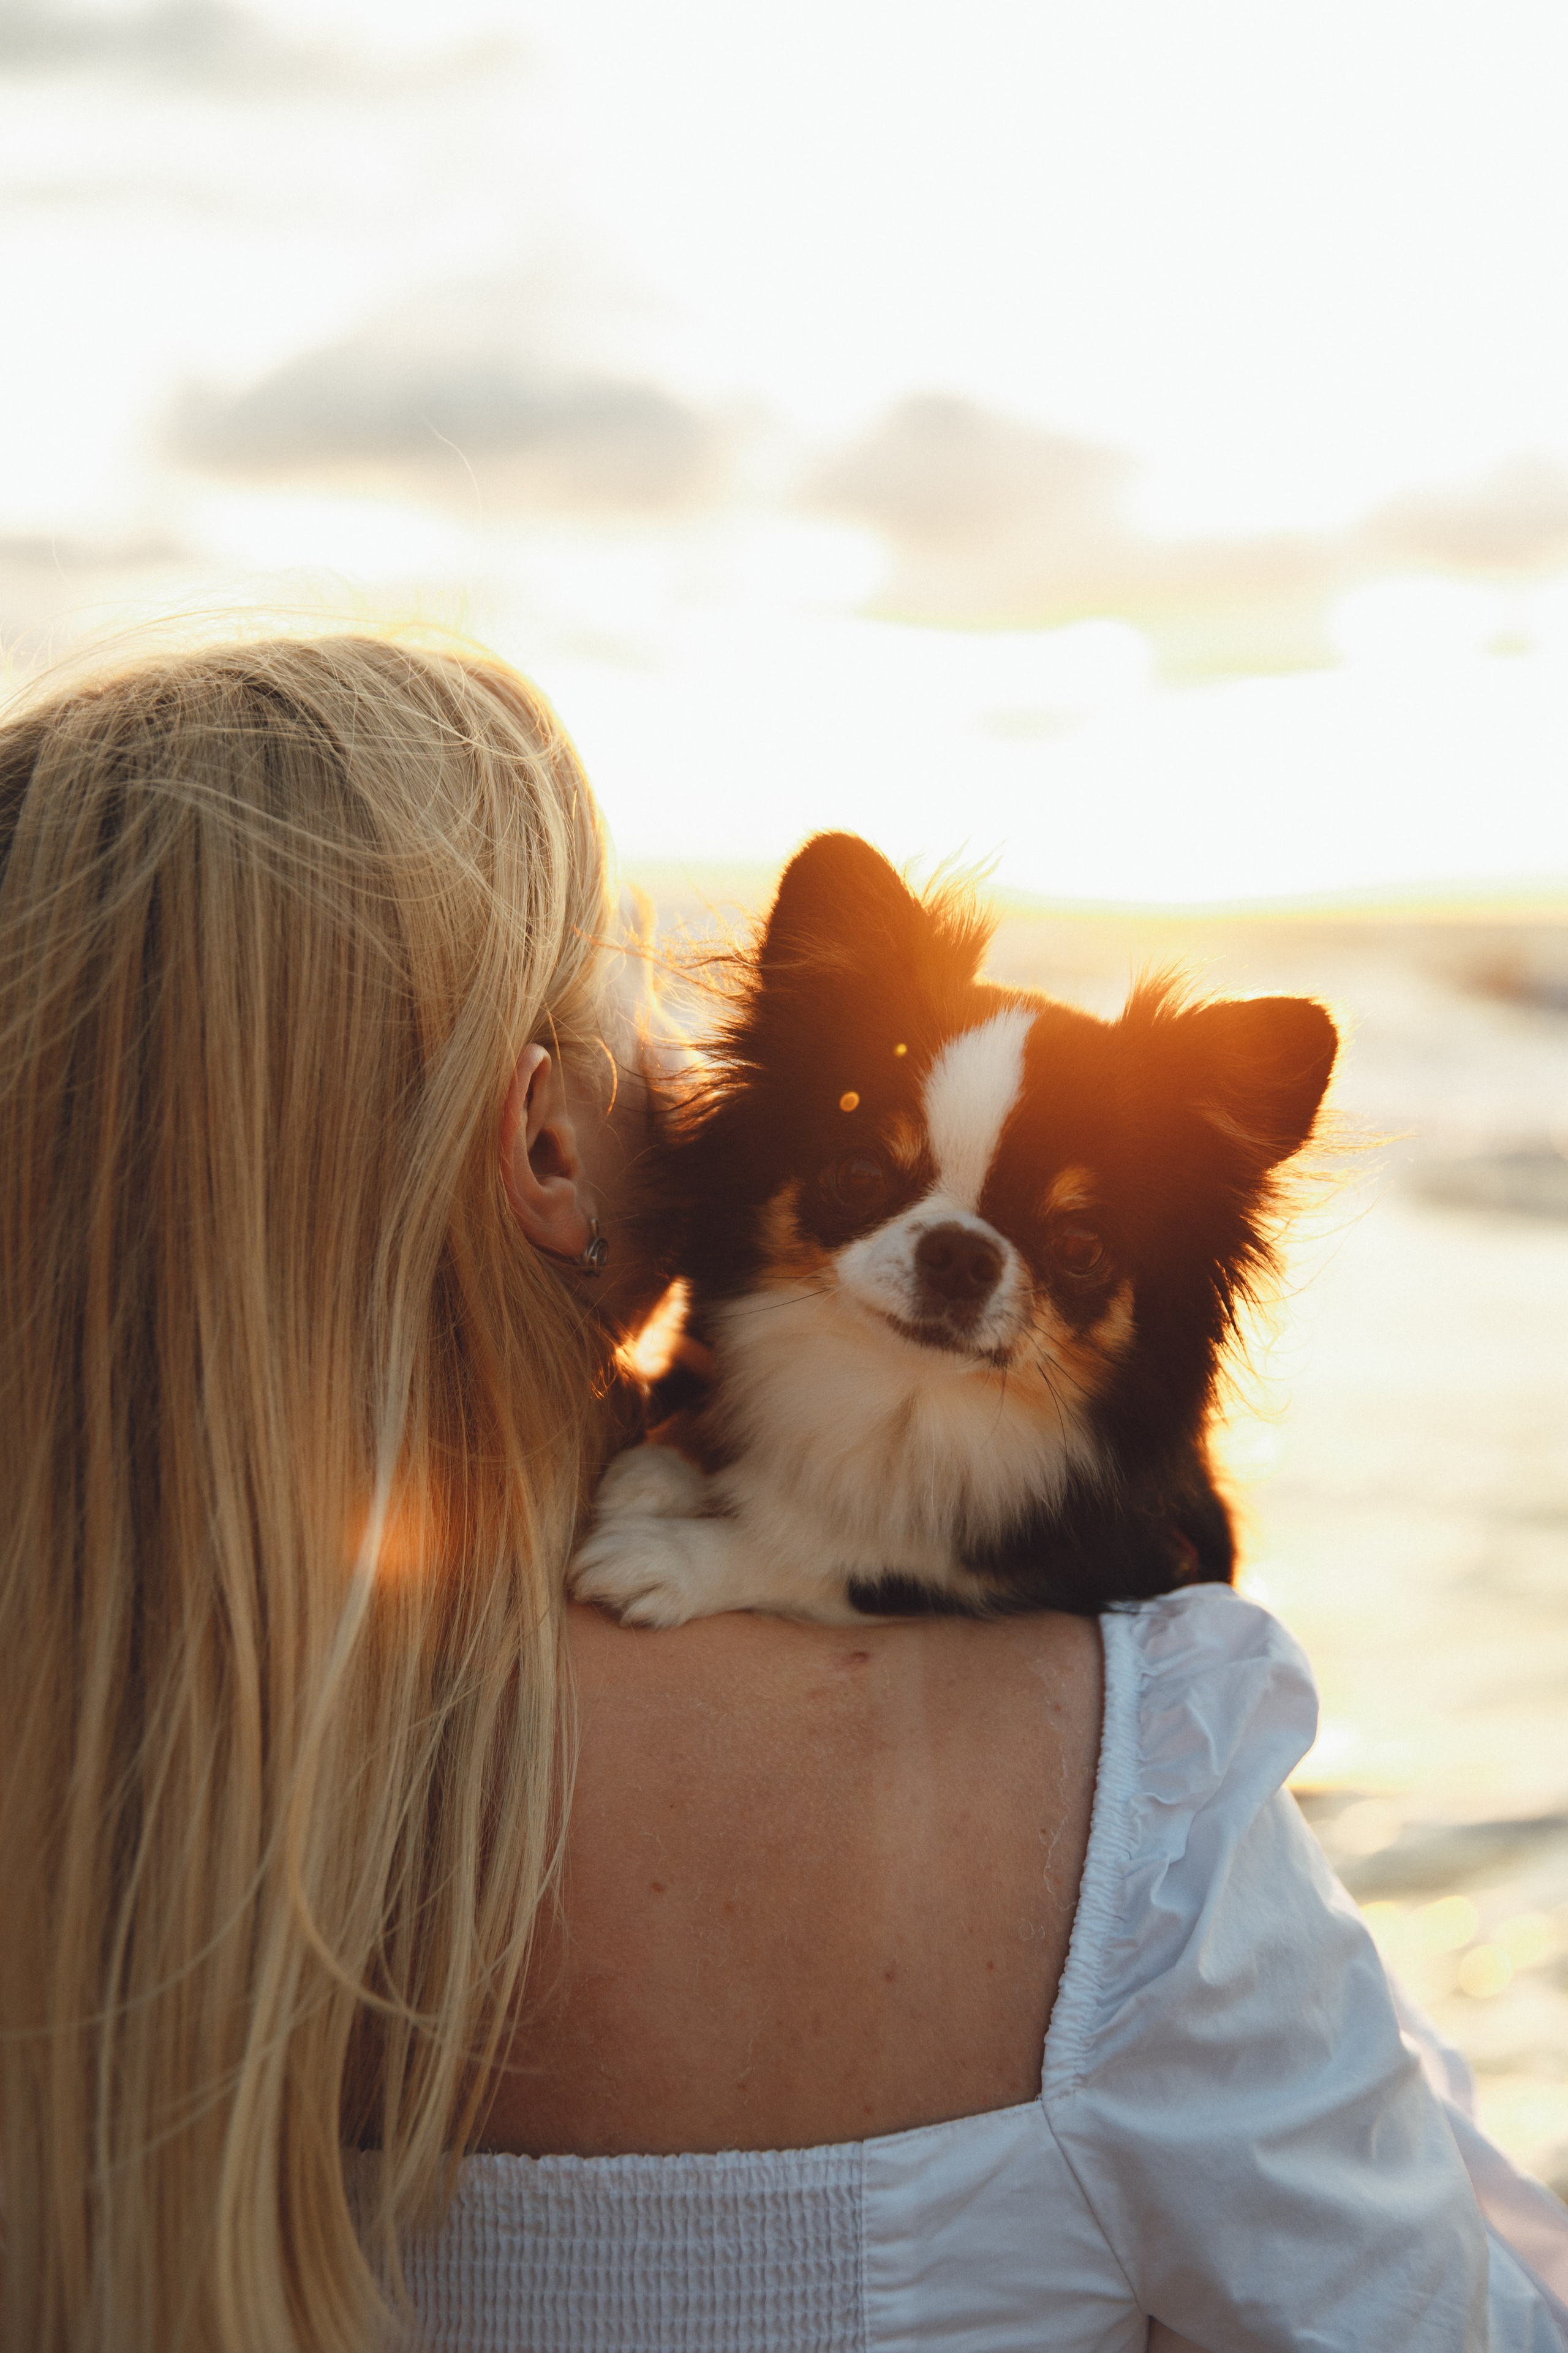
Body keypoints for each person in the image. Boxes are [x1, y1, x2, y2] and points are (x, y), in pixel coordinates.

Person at [1, 631, 1564, 2353]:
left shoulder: (73, 1777)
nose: (679, 1046)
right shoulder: (1118, 1796)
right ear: (542, 1144)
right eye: (625, 976)